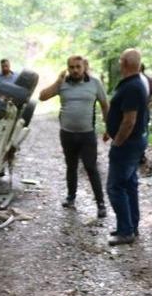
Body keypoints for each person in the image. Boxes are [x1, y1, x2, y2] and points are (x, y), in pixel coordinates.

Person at [39, 55, 108, 217]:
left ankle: (101, 203)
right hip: (67, 134)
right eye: (71, 67)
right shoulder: (62, 83)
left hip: (87, 135)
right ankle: (71, 197)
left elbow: (105, 105)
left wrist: (108, 127)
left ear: (84, 67)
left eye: (78, 67)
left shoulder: (95, 83)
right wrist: (57, 82)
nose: (75, 70)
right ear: (67, 68)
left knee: (91, 167)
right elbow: (42, 97)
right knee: (71, 166)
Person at [104, 49, 149, 245]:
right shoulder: (138, 82)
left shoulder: (132, 86)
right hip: (135, 142)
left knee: (115, 187)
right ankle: (131, 226)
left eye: (120, 61)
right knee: (129, 185)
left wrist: (117, 141)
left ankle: (125, 231)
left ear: (124, 63)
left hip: (128, 144)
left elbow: (129, 121)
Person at [139, 63, 152, 164]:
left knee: (143, 131)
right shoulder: (148, 79)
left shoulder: (148, 80)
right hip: (139, 109)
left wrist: (151, 105)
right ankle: (139, 153)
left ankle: (141, 154)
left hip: (143, 110)